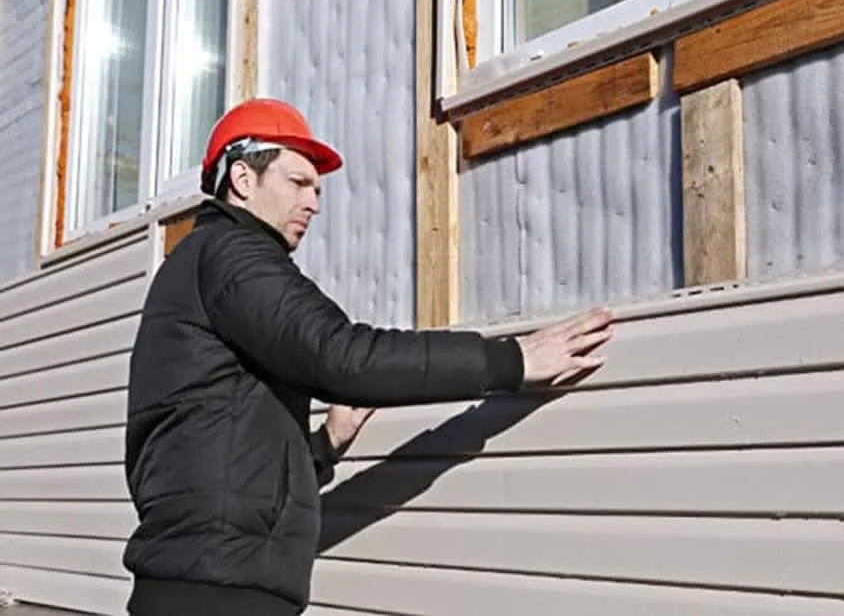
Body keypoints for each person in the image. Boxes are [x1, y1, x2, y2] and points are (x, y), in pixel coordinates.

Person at [122, 98, 614, 615]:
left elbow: (225, 463)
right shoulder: (230, 255)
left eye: (318, 189)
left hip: (203, 585)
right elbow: (343, 356)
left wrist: (326, 445)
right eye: (298, 183)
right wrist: (513, 360)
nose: (313, 202)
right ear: (243, 179)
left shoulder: (200, 268)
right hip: (216, 596)